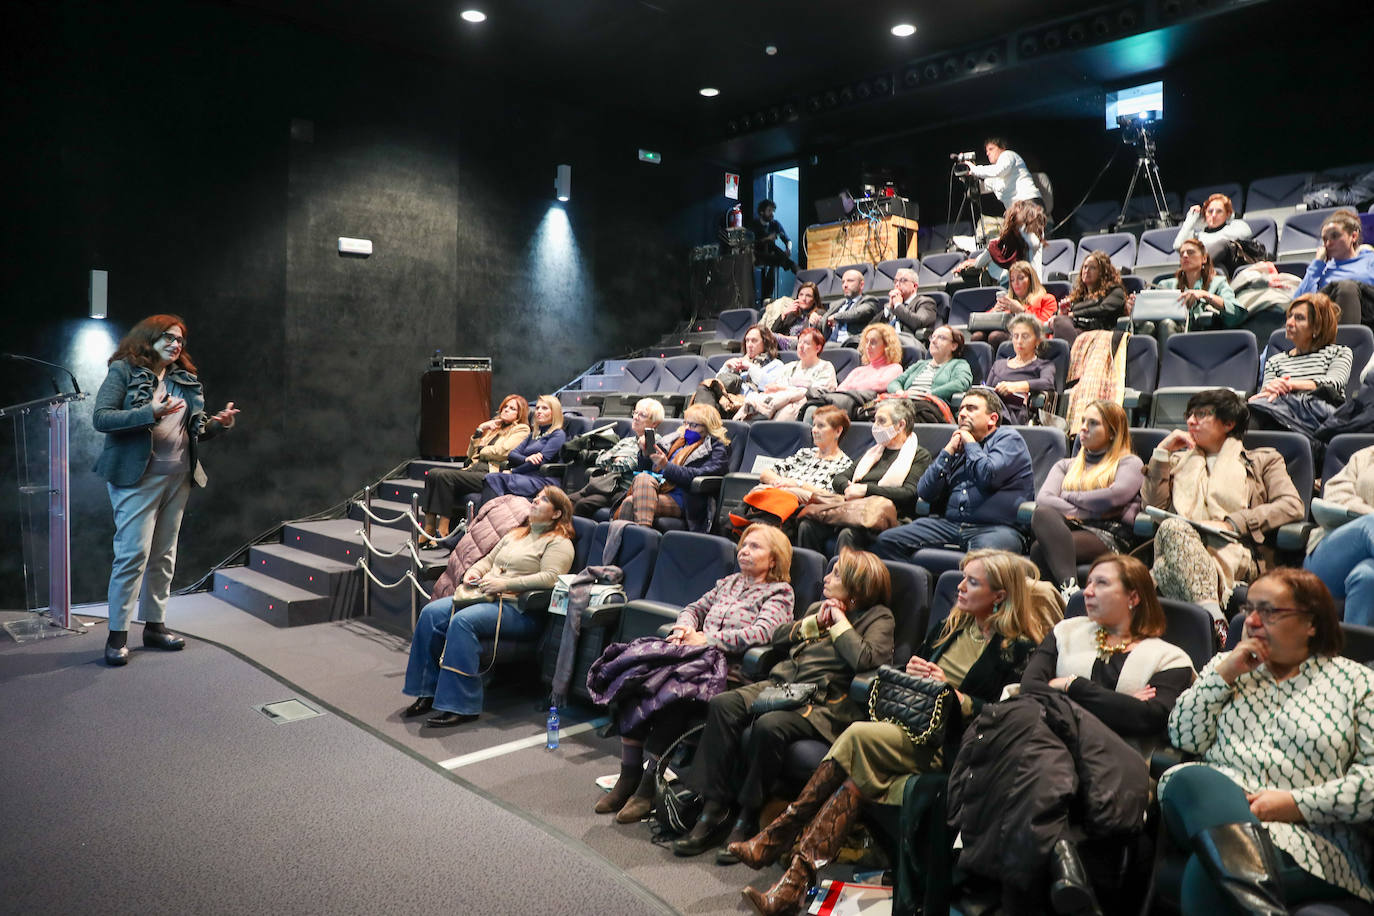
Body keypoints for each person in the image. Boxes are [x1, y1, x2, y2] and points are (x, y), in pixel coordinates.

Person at [730, 550, 1062, 915]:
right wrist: (914, 670)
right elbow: (908, 673)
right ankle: (792, 886)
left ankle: (779, 833)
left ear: (999, 596)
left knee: (857, 734)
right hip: (911, 728)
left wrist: (956, 694)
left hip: (958, 745)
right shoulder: (952, 626)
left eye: (973, 582)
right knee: (854, 782)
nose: (961, 587)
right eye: (963, 577)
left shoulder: (1017, 648)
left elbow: (1010, 714)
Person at [957, 555, 1193, 914]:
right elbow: (1032, 686)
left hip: (1112, 763)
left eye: (1101, 583)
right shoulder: (1066, 631)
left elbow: (1149, 718)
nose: (1088, 590)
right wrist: (1116, 703)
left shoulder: (1169, 658)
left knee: (1029, 753)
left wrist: (1071, 685)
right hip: (1047, 752)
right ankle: (1061, 857)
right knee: (1035, 743)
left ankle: (1014, 871)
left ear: (1133, 597)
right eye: (1087, 581)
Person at [1161, 568, 1374, 913]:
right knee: (1192, 778)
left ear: (1312, 623)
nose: (1253, 621)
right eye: (1249, 609)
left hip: (1309, 840)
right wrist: (1225, 673)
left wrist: (1295, 804)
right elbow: (1185, 735)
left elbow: (1371, 782)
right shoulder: (1227, 666)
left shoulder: (1359, 684)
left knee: (1209, 868)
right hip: (1206, 809)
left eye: (1270, 611)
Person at [671, 548, 895, 860]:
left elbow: (865, 658)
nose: (827, 578)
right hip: (781, 685)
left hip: (823, 701)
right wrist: (815, 622)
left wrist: (840, 621)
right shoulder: (820, 606)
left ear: (858, 585)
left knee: (768, 726)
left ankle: (747, 817)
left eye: (836, 574)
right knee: (724, 704)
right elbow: (778, 637)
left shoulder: (879, 617)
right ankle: (713, 807)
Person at [589, 525, 795, 824]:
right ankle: (628, 776)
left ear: (774, 559)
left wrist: (708, 640)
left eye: (755, 547)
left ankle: (647, 789)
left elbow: (764, 632)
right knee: (636, 680)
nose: (744, 550)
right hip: (693, 659)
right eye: (743, 545)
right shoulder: (729, 583)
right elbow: (694, 608)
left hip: (730, 671)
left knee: (675, 695)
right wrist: (684, 628)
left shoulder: (780, 592)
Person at [93, 314, 240, 666]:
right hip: (136, 478)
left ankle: (155, 626)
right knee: (132, 556)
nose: (176, 344)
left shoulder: (184, 381)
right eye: (169, 338)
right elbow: (102, 418)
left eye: (180, 340)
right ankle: (117, 636)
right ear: (149, 338)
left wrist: (218, 426)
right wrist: (149, 412)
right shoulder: (124, 371)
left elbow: (194, 430)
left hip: (179, 478)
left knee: (164, 556)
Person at [401, 486, 576, 727]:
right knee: (430, 613)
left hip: (521, 610)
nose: (534, 501)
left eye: (543, 500)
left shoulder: (559, 543)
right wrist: (473, 572)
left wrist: (505, 583)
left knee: (463, 621)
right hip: (485, 597)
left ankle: (461, 705)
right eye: (535, 497)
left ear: (557, 513)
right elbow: (487, 561)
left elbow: (551, 578)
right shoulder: (515, 534)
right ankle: (427, 692)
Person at [1144, 388, 1305, 634]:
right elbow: (1154, 506)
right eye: (1189, 415)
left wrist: (1234, 523)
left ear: (1229, 423)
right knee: (1172, 528)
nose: (1190, 421)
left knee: (1165, 566)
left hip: (1235, 550)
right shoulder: (1178, 461)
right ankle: (1214, 621)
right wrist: (1162, 452)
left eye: (1201, 414)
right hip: (1181, 544)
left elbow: (1291, 505)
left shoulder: (1262, 460)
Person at [873, 387, 1035, 558]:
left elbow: (988, 476)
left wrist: (970, 443)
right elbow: (925, 492)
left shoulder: (1008, 439)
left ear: (992, 419)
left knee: (982, 559)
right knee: (887, 540)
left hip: (997, 528)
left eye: (971, 408)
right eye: (961, 409)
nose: (963, 413)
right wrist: (948, 452)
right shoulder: (956, 445)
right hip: (950, 525)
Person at [1029, 400, 1143, 593]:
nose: (1083, 428)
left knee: (1040, 549)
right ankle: (1070, 592)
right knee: (1042, 514)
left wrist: (1068, 496)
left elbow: (1114, 496)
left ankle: (1065, 598)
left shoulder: (1129, 462)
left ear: (1113, 432)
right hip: (1075, 527)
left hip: (1111, 534)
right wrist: (1092, 511)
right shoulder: (1066, 465)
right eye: (1083, 421)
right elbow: (1045, 498)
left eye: (1093, 423)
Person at [796, 398, 931, 552]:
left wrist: (866, 490)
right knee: (808, 526)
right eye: (875, 421)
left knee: (848, 533)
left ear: (900, 425)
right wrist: (849, 488)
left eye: (881, 421)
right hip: (853, 508)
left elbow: (909, 493)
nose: (875, 427)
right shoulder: (874, 452)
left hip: (886, 515)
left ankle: (843, 576)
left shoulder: (919, 455)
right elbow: (840, 478)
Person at [420, 394, 530, 544]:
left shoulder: (522, 430)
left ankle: (443, 529)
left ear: (520, 413)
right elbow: (470, 454)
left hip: (490, 474)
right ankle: (429, 528)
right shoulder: (494, 427)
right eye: (505, 406)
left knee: (445, 476)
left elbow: (503, 451)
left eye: (512, 409)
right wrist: (479, 430)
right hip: (474, 468)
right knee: (433, 474)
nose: (506, 410)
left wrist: (483, 450)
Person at [1248, 293, 1352, 442]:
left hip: (1320, 414)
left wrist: (1289, 385)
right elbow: (1267, 393)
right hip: (1281, 412)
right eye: (1289, 316)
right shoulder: (1275, 361)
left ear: (1317, 327)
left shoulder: (1339, 352)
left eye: (1299, 318)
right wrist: (1270, 390)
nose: (1289, 323)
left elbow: (1333, 384)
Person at [613, 403, 730, 530]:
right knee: (642, 477)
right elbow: (645, 469)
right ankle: (644, 535)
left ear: (708, 427)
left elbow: (700, 475)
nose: (687, 428)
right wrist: (645, 453)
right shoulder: (674, 440)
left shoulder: (716, 448)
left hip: (685, 498)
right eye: (685, 423)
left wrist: (666, 466)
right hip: (656, 488)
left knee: (630, 502)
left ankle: (639, 538)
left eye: (693, 425)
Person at [1304, 443, 1374, 625]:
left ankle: (1354, 652)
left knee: (1367, 577)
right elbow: (1335, 497)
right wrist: (1368, 513)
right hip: (1331, 556)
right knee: (1370, 523)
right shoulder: (1364, 457)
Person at [1137, 238, 1244, 349]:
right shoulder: (1165, 285)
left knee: (1167, 324)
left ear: (1204, 258)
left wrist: (1205, 295)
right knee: (1148, 326)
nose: (1185, 256)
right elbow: (1150, 313)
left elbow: (1236, 313)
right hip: (1166, 336)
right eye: (1182, 254)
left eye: (1190, 252)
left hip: (1203, 339)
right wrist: (1136, 307)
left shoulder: (1217, 283)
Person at [568, 398, 663, 518]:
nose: (636, 417)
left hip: (623, 490)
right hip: (606, 484)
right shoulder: (627, 441)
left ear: (654, 423)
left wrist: (613, 461)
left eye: (642, 415)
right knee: (565, 501)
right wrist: (616, 458)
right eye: (635, 413)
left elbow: (630, 464)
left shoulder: (654, 442)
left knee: (582, 505)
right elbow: (600, 459)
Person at [801, 323, 904, 423]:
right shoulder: (859, 370)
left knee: (814, 410)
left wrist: (852, 386)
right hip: (843, 404)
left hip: (862, 409)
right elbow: (840, 390)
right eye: (866, 342)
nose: (867, 346)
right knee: (811, 407)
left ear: (887, 346)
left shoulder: (894, 368)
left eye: (873, 342)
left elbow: (879, 384)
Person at [736, 328, 837, 422]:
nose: (801, 346)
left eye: (806, 343)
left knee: (784, 412)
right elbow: (774, 387)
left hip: (800, 403)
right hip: (778, 401)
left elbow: (818, 392)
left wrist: (785, 389)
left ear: (818, 348)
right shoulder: (789, 367)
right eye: (800, 342)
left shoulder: (825, 367)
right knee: (751, 401)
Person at [1294, 209, 1374, 324]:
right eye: (1325, 239)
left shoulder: (1369, 259)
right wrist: (1317, 263)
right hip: (1329, 322)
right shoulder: (1321, 270)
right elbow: (1299, 303)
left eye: (1335, 236)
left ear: (1354, 236)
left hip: (1368, 317)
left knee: (1346, 287)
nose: (1328, 243)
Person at [482, 394, 568, 500]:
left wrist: (513, 471)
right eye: (537, 408)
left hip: (543, 479)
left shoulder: (558, 434)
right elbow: (512, 455)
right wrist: (526, 459)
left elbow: (540, 462)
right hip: (525, 475)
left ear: (554, 412)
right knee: (491, 478)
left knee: (494, 478)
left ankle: (485, 516)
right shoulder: (533, 434)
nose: (539, 411)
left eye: (544, 408)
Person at [756, 405, 853, 495]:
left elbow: (829, 496)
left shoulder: (845, 465)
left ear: (838, 431)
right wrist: (782, 483)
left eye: (821, 426)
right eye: (814, 425)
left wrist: (798, 484)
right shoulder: (804, 454)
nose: (814, 430)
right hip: (779, 497)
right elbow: (766, 474)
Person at [956, 199, 1047, 289]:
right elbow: (978, 264)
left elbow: (1032, 242)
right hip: (1009, 291)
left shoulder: (1034, 239)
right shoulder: (999, 244)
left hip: (1033, 290)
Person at [696, 324, 787, 415]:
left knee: (705, 404)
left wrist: (750, 367)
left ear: (765, 342)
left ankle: (699, 424)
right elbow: (717, 385)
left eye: (754, 341)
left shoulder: (776, 364)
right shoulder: (740, 362)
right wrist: (726, 367)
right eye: (747, 341)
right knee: (705, 388)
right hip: (728, 402)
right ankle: (700, 423)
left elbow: (769, 386)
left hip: (749, 406)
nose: (749, 345)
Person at [984, 315, 1056, 425]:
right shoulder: (999, 364)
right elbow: (986, 392)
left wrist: (1014, 387)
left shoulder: (1044, 365)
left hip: (1016, 414)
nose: (1019, 341)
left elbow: (1048, 383)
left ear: (1037, 341)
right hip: (991, 411)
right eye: (1015, 336)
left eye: (1025, 336)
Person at [972, 260, 1057, 351]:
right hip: (1008, 335)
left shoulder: (1047, 299)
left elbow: (1043, 326)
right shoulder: (1008, 301)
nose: (1016, 283)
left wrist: (1021, 311)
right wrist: (994, 312)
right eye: (1012, 280)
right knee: (977, 336)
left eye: (1020, 278)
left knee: (995, 336)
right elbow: (983, 322)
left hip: (1032, 340)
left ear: (1031, 280)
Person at [1049, 252, 1127, 345]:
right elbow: (1062, 314)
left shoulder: (1115, 292)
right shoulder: (1079, 296)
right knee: (1059, 321)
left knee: (1060, 322)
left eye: (1093, 268)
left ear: (1103, 272)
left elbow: (1102, 309)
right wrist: (1061, 312)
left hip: (1101, 336)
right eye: (1085, 267)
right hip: (1079, 332)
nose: (1087, 271)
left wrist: (1073, 314)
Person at [883, 325, 973, 404]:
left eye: (941, 338)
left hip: (930, 406)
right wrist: (900, 393)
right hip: (905, 402)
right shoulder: (920, 364)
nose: (933, 341)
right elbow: (894, 382)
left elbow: (960, 384)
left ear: (953, 346)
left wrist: (927, 395)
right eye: (933, 337)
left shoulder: (959, 364)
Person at [1172, 193, 1255, 270]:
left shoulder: (1233, 227)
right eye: (1210, 211)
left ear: (1228, 214)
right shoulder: (1197, 236)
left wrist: (1232, 217)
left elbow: (1246, 233)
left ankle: (1196, 269)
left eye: (1219, 211)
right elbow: (1178, 246)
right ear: (1205, 214)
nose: (1214, 215)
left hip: (1224, 273)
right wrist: (1190, 219)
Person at [966, 137, 1044, 214]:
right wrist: (968, 178)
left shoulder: (1008, 155)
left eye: (991, 149)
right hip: (1016, 209)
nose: (987, 153)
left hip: (1028, 203)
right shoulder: (996, 177)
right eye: (986, 151)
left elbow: (999, 170)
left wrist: (974, 169)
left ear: (1002, 148)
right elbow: (982, 187)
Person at [880, 267, 939, 344]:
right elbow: (872, 327)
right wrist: (889, 308)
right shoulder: (892, 306)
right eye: (895, 281)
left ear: (914, 286)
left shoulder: (926, 302)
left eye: (903, 280)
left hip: (909, 345)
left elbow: (919, 322)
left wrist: (898, 306)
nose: (897, 285)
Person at [821, 270, 881, 346]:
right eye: (843, 282)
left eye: (850, 281)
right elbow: (824, 321)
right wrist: (815, 320)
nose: (845, 285)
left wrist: (836, 317)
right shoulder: (836, 304)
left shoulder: (870, 300)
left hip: (851, 344)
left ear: (861, 285)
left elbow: (857, 313)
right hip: (830, 342)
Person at [752, 198, 797, 274]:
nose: (772, 214)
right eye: (769, 211)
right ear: (762, 212)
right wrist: (767, 238)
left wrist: (789, 249)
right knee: (771, 246)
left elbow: (787, 240)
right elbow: (751, 243)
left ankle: (800, 275)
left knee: (777, 254)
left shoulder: (775, 224)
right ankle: (792, 266)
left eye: (773, 211)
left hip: (772, 253)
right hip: (758, 254)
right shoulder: (754, 225)